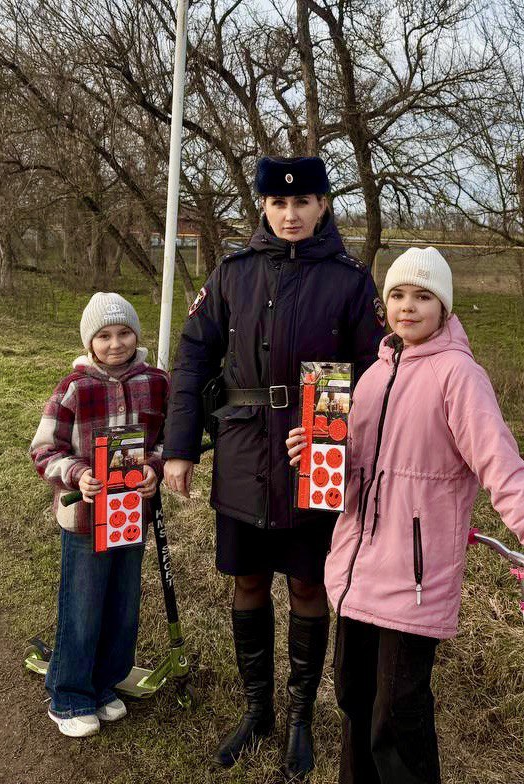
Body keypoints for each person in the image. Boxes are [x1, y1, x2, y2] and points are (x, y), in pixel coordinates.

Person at [287, 247, 524, 783]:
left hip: (414, 577)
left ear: (444, 308)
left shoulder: (459, 376)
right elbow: (354, 464)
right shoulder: (373, 375)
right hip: (356, 572)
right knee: (354, 698)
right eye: (399, 295)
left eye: (423, 296)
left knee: (396, 715)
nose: (409, 307)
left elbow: (503, 467)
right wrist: (314, 452)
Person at [163, 156, 384, 778]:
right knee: (249, 581)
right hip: (240, 452)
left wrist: (332, 436)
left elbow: (373, 372)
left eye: (304, 202)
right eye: (279, 204)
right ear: (263, 205)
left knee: (310, 586)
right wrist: (179, 447)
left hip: (315, 456)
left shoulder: (349, 281)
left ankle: (301, 720)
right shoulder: (231, 274)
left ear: (322, 206)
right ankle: (258, 711)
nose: (291, 214)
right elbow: (192, 359)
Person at [29, 292, 168, 737]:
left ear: (137, 335)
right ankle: (69, 694)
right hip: (86, 521)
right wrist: (77, 474)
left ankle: (105, 683)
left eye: (124, 332)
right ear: (90, 342)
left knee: (124, 605)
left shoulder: (157, 381)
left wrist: (154, 468)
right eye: (104, 336)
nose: (115, 344)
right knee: (83, 607)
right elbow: (44, 449)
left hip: (131, 516)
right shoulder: (74, 387)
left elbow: (170, 441)